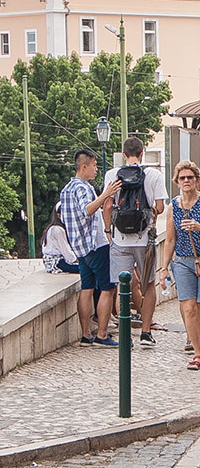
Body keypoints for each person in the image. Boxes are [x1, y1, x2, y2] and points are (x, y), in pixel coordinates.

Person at [160, 160, 200, 370]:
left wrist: (199, 227)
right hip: (182, 261)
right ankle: (198, 354)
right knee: (189, 309)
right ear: (177, 182)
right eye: (182, 178)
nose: (186, 181)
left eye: (190, 177)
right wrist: (164, 268)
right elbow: (170, 240)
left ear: (197, 180)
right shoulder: (174, 206)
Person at [102, 137, 168, 349]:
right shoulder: (153, 175)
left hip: (120, 239)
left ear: (123, 154)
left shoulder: (112, 175)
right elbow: (160, 207)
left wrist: (108, 230)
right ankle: (146, 332)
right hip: (145, 239)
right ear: (142, 153)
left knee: (122, 286)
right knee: (148, 284)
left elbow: (108, 206)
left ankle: (125, 335)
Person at [60, 148, 121, 347]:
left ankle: (86, 334)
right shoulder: (83, 188)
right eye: (94, 166)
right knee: (107, 288)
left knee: (86, 288)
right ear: (84, 166)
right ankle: (102, 334)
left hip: (79, 246)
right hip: (95, 244)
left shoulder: (66, 189)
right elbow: (87, 209)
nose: (96, 170)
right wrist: (106, 195)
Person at [41, 203, 79, 274]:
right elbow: (66, 251)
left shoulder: (52, 228)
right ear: (59, 215)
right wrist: (77, 260)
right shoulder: (57, 229)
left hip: (52, 262)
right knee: (86, 270)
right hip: (58, 263)